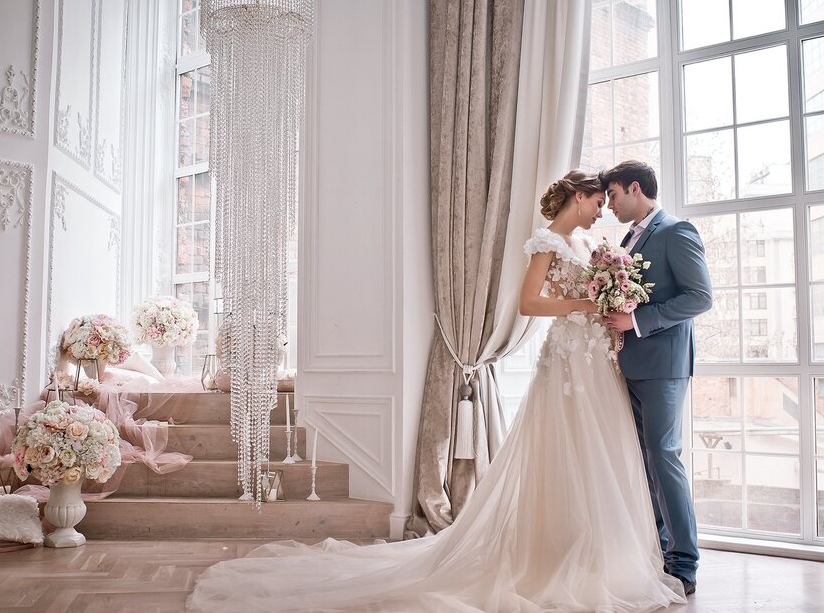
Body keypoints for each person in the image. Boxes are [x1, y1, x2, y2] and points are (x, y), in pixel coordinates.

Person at [187, 170, 685, 612]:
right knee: (567, 450)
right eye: (598, 200)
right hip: (568, 361)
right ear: (578, 196)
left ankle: (596, 552)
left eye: (607, 201)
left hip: (594, 360)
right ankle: (555, 555)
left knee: (600, 453)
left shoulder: (583, 245)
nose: (603, 209)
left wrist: (601, 298)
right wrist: (581, 304)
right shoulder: (546, 244)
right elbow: (531, 304)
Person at [600, 160, 713, 596]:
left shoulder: (676, 231)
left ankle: (685, 563)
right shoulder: (628, 238)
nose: (609, 205)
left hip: (664, 367)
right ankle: (660, 553)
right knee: (645, 462)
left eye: (612, 196)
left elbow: (699, 297)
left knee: (664, 458)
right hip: (630, 366)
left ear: (633, 188)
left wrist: (639, 321)